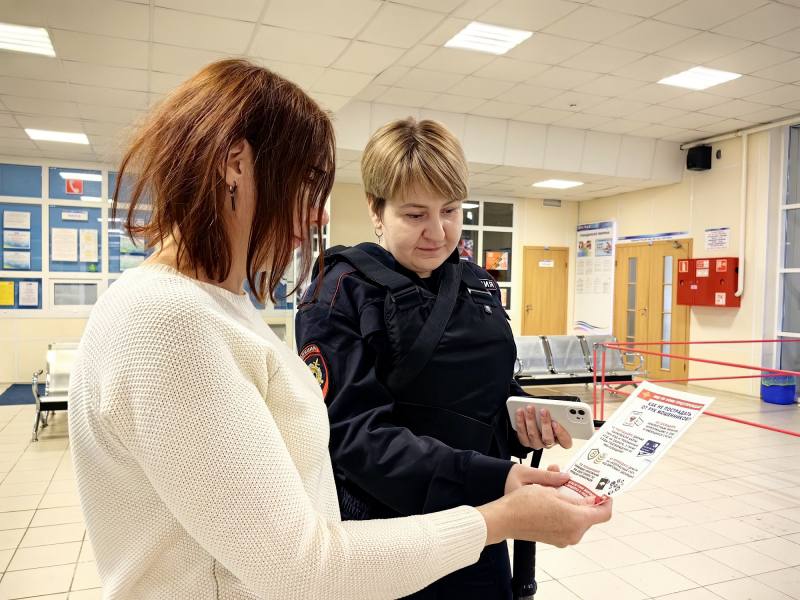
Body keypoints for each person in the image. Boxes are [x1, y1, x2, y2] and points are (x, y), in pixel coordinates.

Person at [68, 59, 612, 600]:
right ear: (238, 164)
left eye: (450, 211)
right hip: (394, 533)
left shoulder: (217, 307)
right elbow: (302, 565)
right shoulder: (168, 322)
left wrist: (510, 450)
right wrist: (499, 512)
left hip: (423, 540)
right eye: (305, 189)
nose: (311, 219)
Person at [295, 118, 581, 599]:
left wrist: (522, 418)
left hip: (482, 524)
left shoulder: (476, 284)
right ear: (376, 210)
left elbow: (485, 393)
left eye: (450, 210)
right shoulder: (339, 292)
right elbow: (354, 437)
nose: (438, 231)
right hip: (391, 536)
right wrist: (496, 478)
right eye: (414, 214)